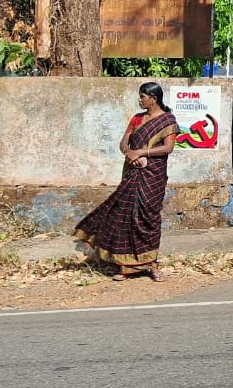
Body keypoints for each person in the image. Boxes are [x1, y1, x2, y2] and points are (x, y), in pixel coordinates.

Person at [74, 82, 180, 282]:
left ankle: (152, 264)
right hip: (133, 171)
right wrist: (129, 153)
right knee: (125, 215)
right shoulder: (137, 119)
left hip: (153, 176)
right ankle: (125, 266)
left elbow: (168, 148)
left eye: (142, 97)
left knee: (148, 218)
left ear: (153, 99)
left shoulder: (167, 120)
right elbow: (123, 142)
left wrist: (142, 152)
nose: (139, 100)